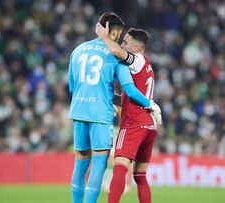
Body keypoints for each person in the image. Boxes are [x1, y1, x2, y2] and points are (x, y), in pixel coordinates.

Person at [68, 12, 161, 203]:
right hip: (104, 116)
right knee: (103, 165)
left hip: (79, 111)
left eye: (125, 41)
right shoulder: (116, 57)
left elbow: (72, 86)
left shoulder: (78, 50)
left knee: (80, 163)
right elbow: (130, 90)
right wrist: (150, 104)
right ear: (114, 32)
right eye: (120, 37)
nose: (121, 42)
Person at [95, 22, 160, 203]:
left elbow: (116, 52)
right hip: (149, 124)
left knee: (120, 167)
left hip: (134, 123)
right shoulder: (146, 66)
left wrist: (104, 36)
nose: (122, 45)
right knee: (140, 176)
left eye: (125, 42)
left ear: (137, 48)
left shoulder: (137, 59)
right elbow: (130, 97)